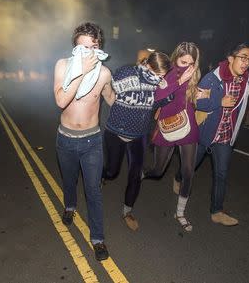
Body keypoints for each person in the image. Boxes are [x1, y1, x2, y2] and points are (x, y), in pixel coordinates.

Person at [180, 42, 249, 226]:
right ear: (231, 58)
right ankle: (179, 177)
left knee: (222, 174)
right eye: (243, 57)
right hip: (204, 134)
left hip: (225, 137)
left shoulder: (245, 81)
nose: (246, 62)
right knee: (190, 168)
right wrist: (219, 101)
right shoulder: (212, 79)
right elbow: (195, 102)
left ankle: (216, 211)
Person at [53, 22, 115, 261]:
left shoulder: (104, 73)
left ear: (99, 47)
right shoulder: (63, 66)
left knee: (94, 191)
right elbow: (60, 100)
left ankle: (98, 238)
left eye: (94, 47)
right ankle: (69, 206)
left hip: (91, 142)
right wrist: (82, 72)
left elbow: (111, 99)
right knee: (69, 181)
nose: (88, 53)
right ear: (74, 47)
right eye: (83, 47)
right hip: (65, 140)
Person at [102, 51, 172, 231]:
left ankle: (127, 211)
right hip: (115, 132)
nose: (161, 79)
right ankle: (103, 176)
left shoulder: (159, 85)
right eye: (159, 75)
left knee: (135, 175)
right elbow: (108, 90)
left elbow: (157, 102)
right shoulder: (126, 73)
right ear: (149, 66)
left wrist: (170, 96)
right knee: (112, 171)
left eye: (164, 76)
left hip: (139, 135)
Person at [142, 42, 204, 232]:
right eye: (183, 61)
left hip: (188, 124)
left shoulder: (194, 73)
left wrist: (201, 95)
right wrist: (179, 81)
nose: (186, 65)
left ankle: (180, 212)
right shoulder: (167, 71)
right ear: (176, 57)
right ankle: (143, 173)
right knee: (158, 170)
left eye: (191, 62)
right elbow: (158, 97)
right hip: (167, 126)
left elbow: (190, 98)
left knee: (188, 171)